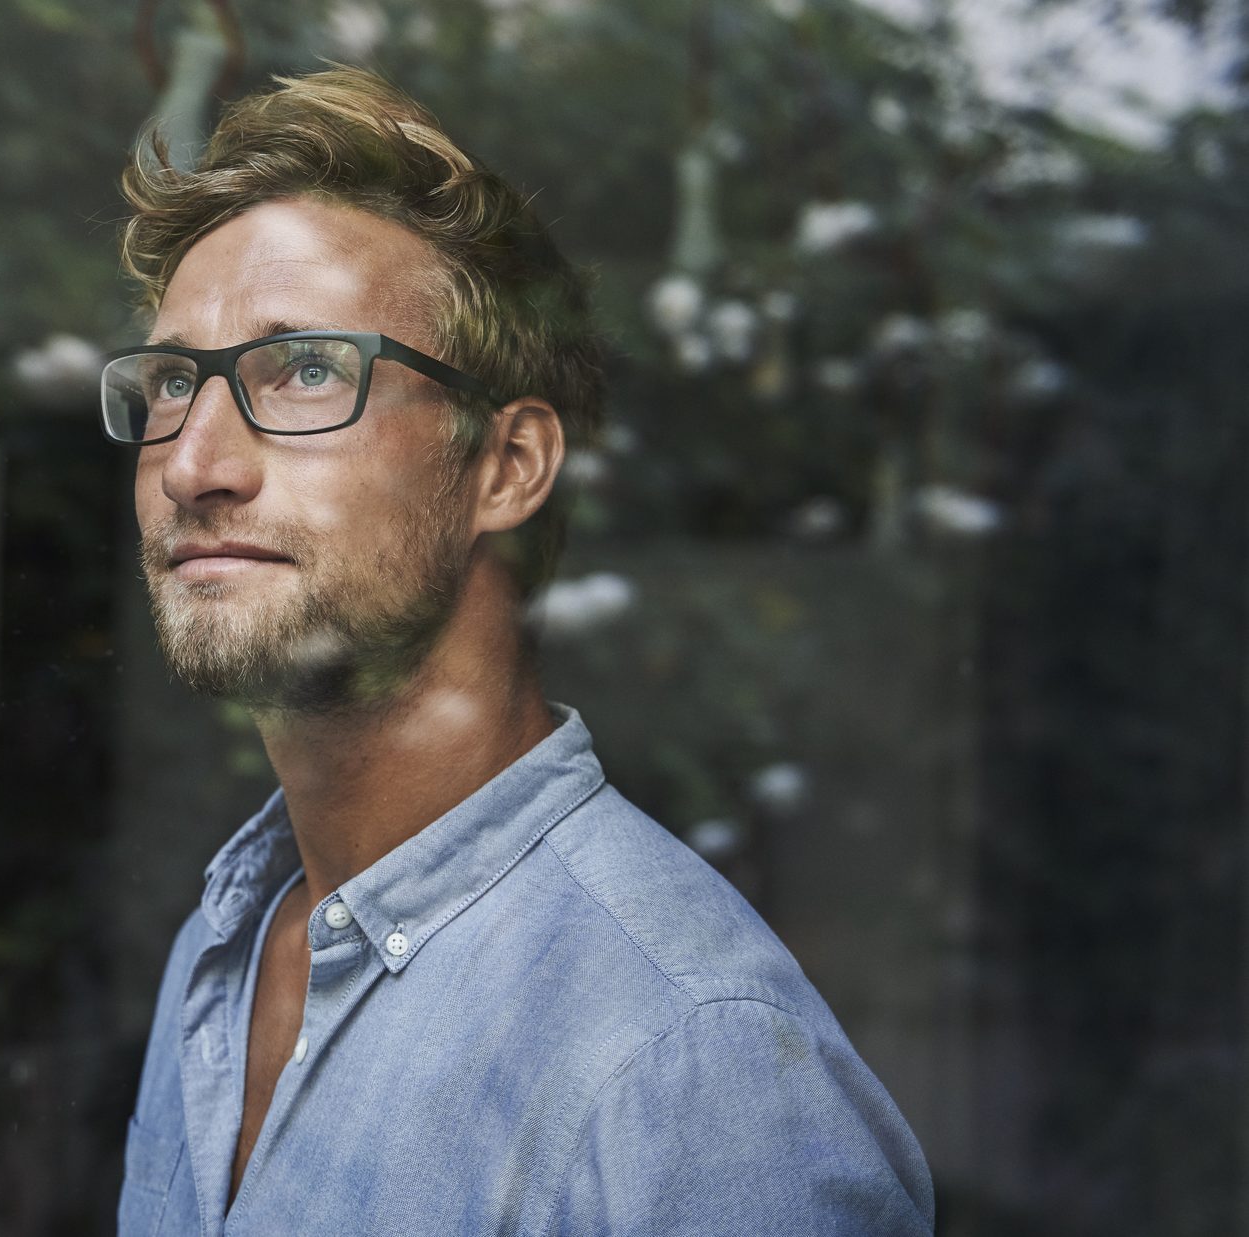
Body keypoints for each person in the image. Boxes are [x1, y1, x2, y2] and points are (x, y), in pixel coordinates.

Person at [106, 66, 933, 1236]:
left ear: (505, 468)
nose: (193, 463)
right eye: (171, 383)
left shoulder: (689, 1067)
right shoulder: (223, 945)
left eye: (305, 371)